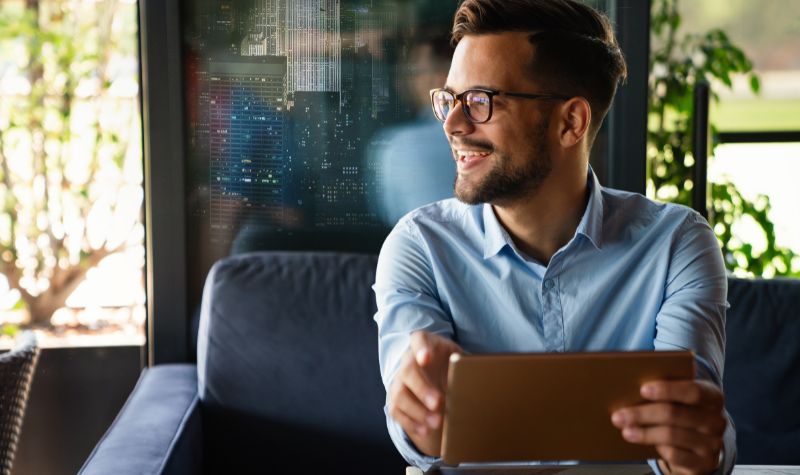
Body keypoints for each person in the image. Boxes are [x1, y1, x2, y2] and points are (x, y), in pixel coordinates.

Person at [372, 1, 736, 474]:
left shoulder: (676, 245)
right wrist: (420, 419)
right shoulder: (418, 247)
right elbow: (417, 425)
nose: (453, 125)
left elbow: (693, 421)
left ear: (571, 122)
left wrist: (695, 449)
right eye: (450, 99)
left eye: (481, 101)